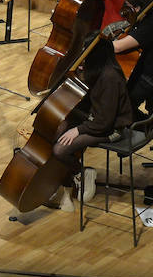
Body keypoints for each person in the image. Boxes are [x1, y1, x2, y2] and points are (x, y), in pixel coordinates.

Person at [52, 32, 133, 208]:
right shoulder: (98, 70)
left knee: (60, 149)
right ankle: (64, 180)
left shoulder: (110, 78)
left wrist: (78, 130)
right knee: (57, 129)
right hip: (94, 118)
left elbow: (104, 122)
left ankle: (82, 173)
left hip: (111, 129)